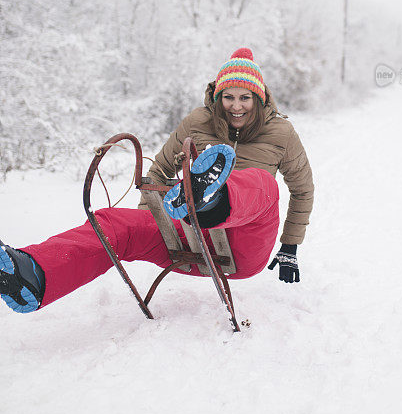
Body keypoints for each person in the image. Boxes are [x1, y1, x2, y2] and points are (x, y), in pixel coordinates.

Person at [0, 48, 314, 314]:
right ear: (217, 96)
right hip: (190, 241)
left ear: (259, 98)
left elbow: (302, 189)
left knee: (262, 183)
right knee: (114, 222)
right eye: (228, 96)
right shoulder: (197, 122)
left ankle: (212, 198)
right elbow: (158, 171)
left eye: (245, 97)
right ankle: (33, 276)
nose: (236, 105)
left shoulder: (281, 132)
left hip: (244, 245)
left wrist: (289, 246)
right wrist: (146, 222)